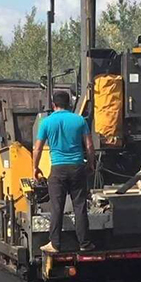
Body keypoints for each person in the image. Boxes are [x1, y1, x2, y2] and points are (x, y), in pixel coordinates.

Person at [32, 91, 95, 253]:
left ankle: (55, 244)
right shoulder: (79, 120)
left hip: (58, 169)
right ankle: (85, 243)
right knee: (80, 206)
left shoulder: (46, 122)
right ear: (69, 105)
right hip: (77, 167)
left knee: (56, 207)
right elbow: (89, 146)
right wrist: (91, 164)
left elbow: (37, 148)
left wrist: (35, 167)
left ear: (53, 105)